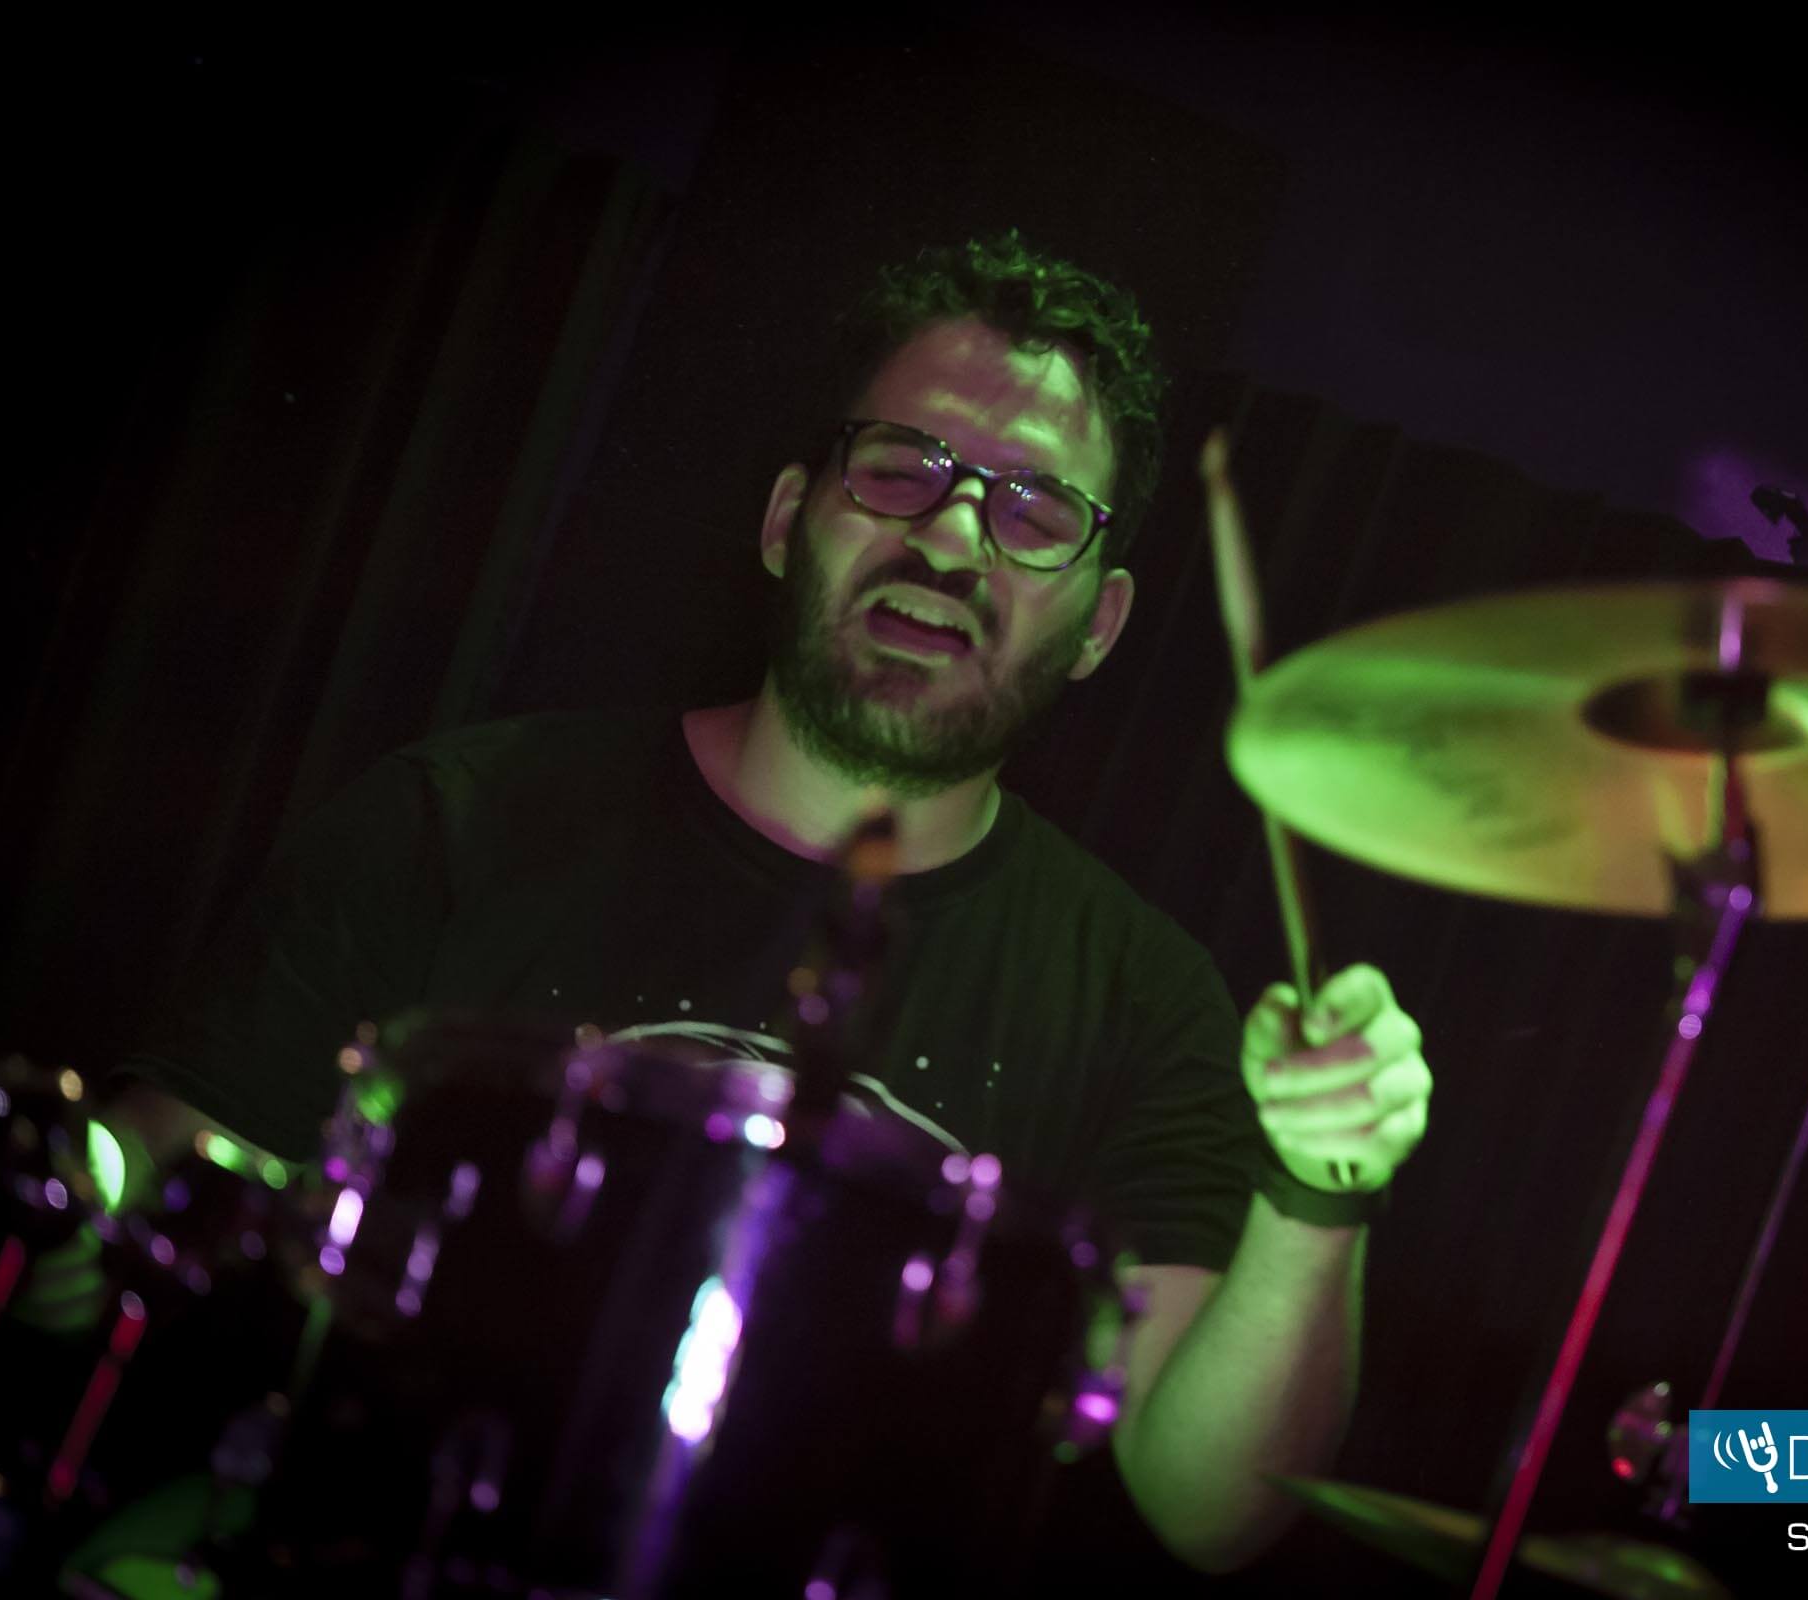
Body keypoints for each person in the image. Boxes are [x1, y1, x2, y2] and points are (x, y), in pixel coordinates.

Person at [101, 231, 1436, 1575]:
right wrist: (77, 1204)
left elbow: (1211, 1513)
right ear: (789, 518)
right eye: (904, 467)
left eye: (1035, 511)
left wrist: (1319, 1195)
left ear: (1099, 624)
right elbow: (153, 1184)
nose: (952, 536)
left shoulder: (1143, 1003)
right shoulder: (454, 820)